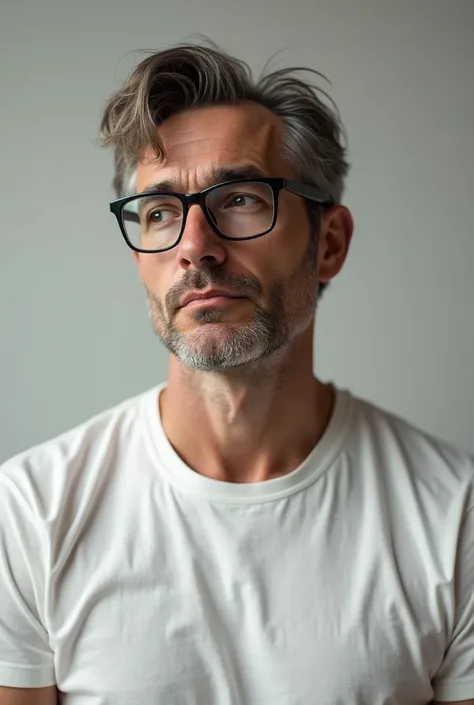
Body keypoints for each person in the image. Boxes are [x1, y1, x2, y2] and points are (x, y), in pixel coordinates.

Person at [0, 41, 473, 705]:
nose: (195, 246)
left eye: (242, 198)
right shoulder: (28, 515)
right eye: (160, 212)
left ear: (329, 242)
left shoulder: (454, 519)